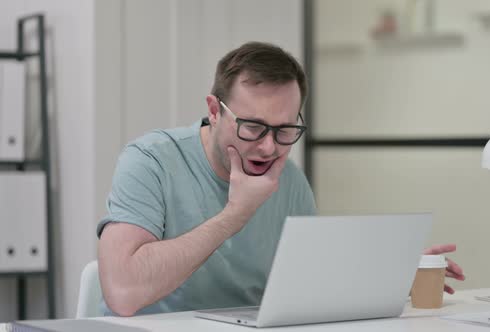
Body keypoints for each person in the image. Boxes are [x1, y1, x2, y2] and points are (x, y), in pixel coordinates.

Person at [97, 41, 465, 317]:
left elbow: (311, 288)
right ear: (214, 110)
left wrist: (391, 273)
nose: (269, 147)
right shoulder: (150, 161)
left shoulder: (289, 181)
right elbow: (123, 291)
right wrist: (233, 217)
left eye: (285, 129)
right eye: (254, 127)